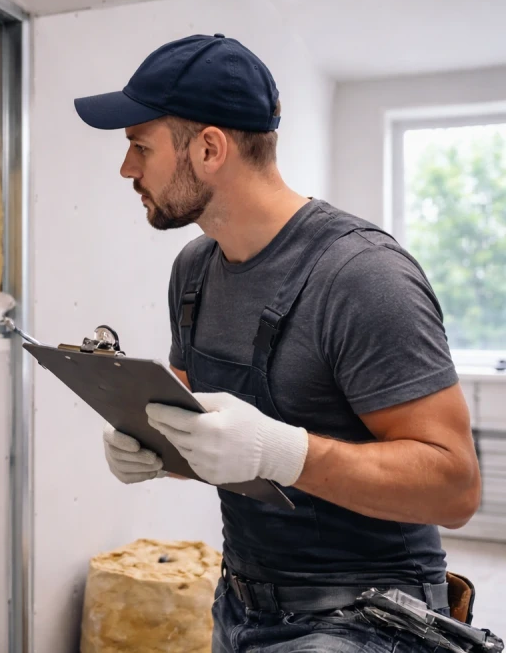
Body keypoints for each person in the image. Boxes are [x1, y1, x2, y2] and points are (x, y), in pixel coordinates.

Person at [74, 34, 482, 652]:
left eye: (139, 146)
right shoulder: (194, 271)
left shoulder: (362, 276)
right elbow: (220, 439)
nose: (127, 169)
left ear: (210, 148)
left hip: (366, 620)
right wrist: (157, 447)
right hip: (239, 606)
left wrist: (284, 452)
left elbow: (455, 489)